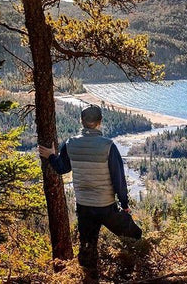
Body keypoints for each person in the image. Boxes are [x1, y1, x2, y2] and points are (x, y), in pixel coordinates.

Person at [38, 104, 140, 279]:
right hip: (106, 206)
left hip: (84, 206)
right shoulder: (108, 146)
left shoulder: (71, 143)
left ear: (81, 121)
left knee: (87, 247)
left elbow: (62, 168)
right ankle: (135, 270)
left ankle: (89, 278)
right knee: (134, 234)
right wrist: (124, 204)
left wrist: (51, 156)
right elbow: (118, 178)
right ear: (99, 122)